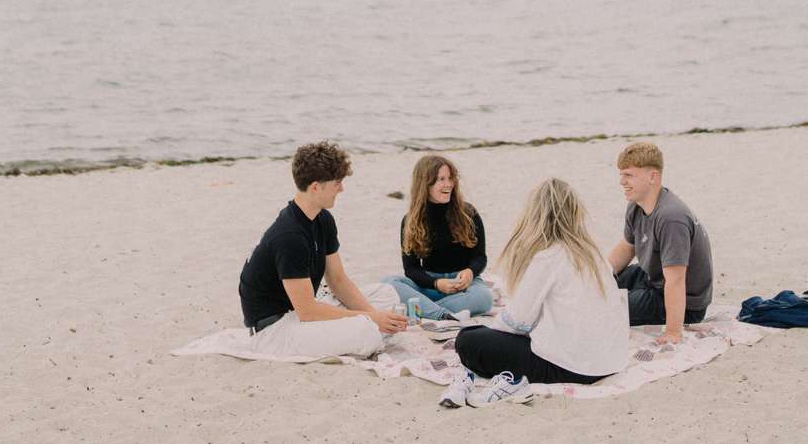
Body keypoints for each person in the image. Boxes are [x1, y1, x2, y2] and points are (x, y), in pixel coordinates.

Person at [445, 178, 629, 406]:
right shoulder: (594, 253)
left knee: (469, 340)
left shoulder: (550, 256)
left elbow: (517, 321)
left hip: (573, 366)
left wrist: (492, 332)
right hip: (612, 360)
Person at [237, 140, 407, 358]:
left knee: (386, 294)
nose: (342, 188)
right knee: (365, 331)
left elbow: (337, 279)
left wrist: (373, 314)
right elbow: (307, 311)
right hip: (275, 329)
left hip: (300, 313)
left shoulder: (322, 218)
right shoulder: (289, 236)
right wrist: (370, 320)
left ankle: (374, 328)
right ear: (316, 187)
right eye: (337, 183)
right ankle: (372, 331)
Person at [606, 141, 713, 344]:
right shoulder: (636, 205)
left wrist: (673, 332)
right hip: (653, 277)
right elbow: (626, 248)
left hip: (682, 302)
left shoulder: (671, 218)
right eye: (621, 174)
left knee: (606, 307)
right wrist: (598, 274)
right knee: (597, 287)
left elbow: (676, 280)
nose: (622, 181)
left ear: (652, 177)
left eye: (628, 175)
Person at [383, 154, 495, 320]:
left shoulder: (468, 213)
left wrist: (470, 272)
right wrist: (436, 284)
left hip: (463, 284)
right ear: (425, 183)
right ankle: (441, 313)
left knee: (484, 298)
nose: (448, 184)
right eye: (440, 179)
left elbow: (480, 257)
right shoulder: (410, 220)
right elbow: (411, 269)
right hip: (429, 285)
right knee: (389, 283)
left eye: (450, 178)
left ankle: (426, 310)